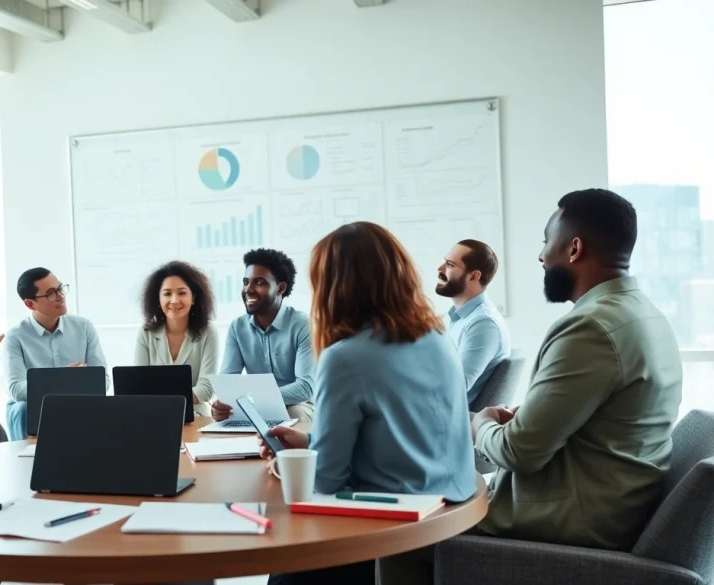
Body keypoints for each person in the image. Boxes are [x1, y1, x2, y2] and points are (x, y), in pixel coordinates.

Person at [258, 222, 477, 585]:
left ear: (333, 286)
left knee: (284, 574)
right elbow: (401, 437)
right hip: (447, 512)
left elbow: (326, 481)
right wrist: (309, 444)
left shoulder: (344, 357)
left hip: (387, 530)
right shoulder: (437, 337)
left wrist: (289, 465)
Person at [472, 189, 682, 551]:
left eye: (546, 241)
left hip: (565, 523)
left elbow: (520, 452)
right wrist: (530, 418)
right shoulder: (646, 313)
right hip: (612, 510)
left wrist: (481, 425)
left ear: (574, 248)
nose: (540, 255)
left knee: (409, 536)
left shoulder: (590, 327)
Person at [210, 248, 314, 422]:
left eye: (259, 282)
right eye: (245, 282)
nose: (248, 290)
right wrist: (220, 406)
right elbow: (227, 383)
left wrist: (252, 400)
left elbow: (305, 388)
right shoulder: (238, 327)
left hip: (299, 405)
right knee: (224, 420)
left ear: (280, 288)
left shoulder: (303, 325)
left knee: (294, 414)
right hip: (256, 409)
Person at [4, 267, 108, 438]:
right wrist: (65, 380)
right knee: (21, 408)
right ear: (30, 304)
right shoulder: (15, 337)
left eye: (60, 288)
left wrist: (73, 384)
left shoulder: (83, 327)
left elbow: (102, 380)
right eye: (51, 293)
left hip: (77, 404)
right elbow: (16, 389)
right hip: (35, 409)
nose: (60, 296)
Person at [134, 261, 220, 417]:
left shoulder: (208, 333)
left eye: (181, 293)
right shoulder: (146, 333)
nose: (174, 300)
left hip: (196, 417)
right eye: (167, 293)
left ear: (193, 298)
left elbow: (206, 389)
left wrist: (161, 396)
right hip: (155, 416)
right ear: (158, 300)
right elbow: (140, 386)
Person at [435, 239, 511, 404]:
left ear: (474, 276)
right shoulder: (454, 318)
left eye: (450, 265)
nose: (440, 269)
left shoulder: (483, 324)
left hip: (443, 421)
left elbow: (454, 389)